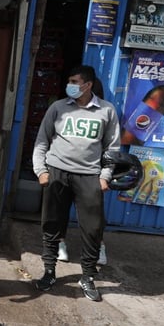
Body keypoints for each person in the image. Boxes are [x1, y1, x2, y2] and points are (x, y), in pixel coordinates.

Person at [32, 65, 120, 302]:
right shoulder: (58, 108)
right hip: (57, 172)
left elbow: (112, 148)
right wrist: (41, 170)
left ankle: (88, 277)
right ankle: (49, 272)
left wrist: (105, 176)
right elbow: (42, 140)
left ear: (87, 85)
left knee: (92, 229)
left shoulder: (107, 111)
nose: (69, 84)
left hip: (89, 176)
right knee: (51, 224)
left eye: (73, 80)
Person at [57, 76, 107, 267]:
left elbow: (110, 144)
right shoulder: (64, 110)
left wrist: (105, 174)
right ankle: (59, 243)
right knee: (60, 206)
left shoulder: (104, 112)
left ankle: (98, 247)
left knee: (94, 212)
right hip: (64, 166)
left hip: (92, 169)